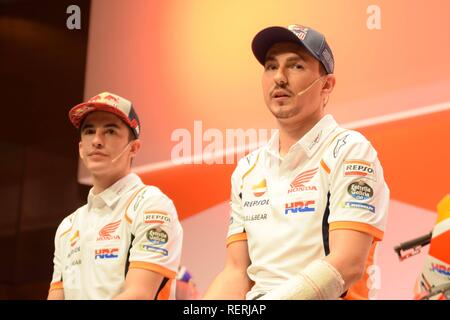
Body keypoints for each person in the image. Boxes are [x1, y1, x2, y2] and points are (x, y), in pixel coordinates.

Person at [204, 24, 389, 300]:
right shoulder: (247, 169)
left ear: (326, 85)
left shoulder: (350, 150)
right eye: (270, 66)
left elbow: (348, 264)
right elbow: (236, 272)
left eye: (296, 66)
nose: (279, 78)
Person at [47, 92, 183, 300]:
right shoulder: (68, 226)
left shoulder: (151, 204)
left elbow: (139, 295)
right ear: (81, 149)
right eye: (89, 131)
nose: (97, 141)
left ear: (134, 148)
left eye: (110, 131)